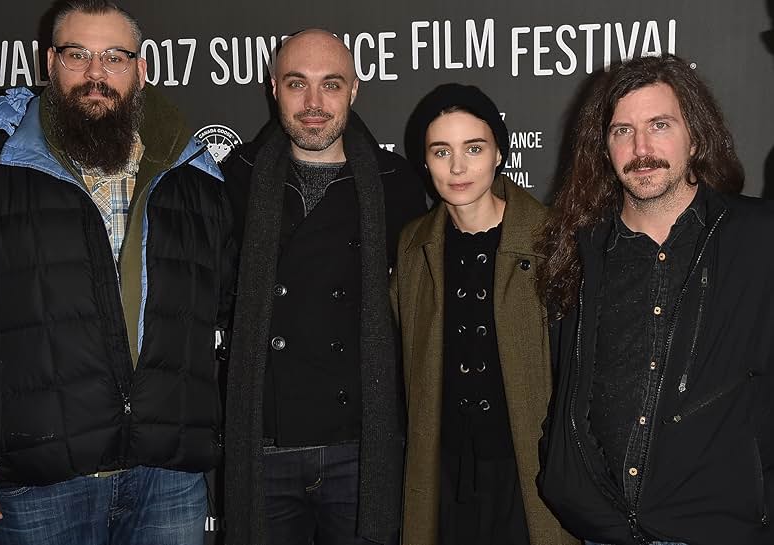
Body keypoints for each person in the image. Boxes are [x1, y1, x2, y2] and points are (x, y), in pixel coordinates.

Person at [0, 1, 236, 544]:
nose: (96, 74)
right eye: (77, 55)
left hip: (167, 476)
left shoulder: (194, 177)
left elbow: (223, 317)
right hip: (41, 481)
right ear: (48, 62)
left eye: (114, 57)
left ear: (142, 68)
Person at [536, 53, 774, 545]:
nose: (641, 148)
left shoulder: (757, 239)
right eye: (622, 131)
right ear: (603, 147)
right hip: (604, 530)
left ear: (696, 135)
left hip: (719, 528)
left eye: (659, 125)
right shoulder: (577, 252)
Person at [220, 28, 427, 545]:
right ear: (273, 88)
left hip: (361, 449)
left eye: (331, 84)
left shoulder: (395, 183)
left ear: (354, 90)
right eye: (297, 84)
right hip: (265, 447)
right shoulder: (234, 179)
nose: (314, 103)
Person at [391, 83, 577, 545]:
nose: (458, 167)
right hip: (445, 471)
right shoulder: (414, 248)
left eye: (474, 148)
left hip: (527, 469)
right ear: (425, 160)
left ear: (498, 153)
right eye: (441, 151)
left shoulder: (554, 239)